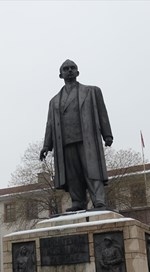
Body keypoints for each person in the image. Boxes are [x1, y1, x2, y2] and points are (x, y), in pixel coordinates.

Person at [40, 59, 114, 211]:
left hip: (87, 139)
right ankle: (78, 201)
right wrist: (47, 145)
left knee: (92, 171)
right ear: (60, 75)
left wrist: (107, 135)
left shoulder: (92, 91)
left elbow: (102, 114)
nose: (69, 70)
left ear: (78, 72)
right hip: (65, 142)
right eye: (66, 69)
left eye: (72, 68)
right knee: (72, 175)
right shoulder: (54, 101)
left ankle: (98, 200)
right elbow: (50, 125)